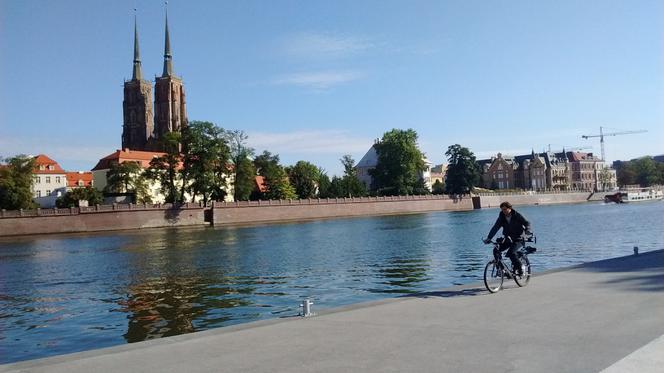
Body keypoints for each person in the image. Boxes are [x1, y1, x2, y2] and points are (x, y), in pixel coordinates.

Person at [483, 201, 532, 275]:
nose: (504, 211)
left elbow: (527, 223)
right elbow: (495, 227)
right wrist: (489, 238)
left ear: (510, 208)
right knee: (496, 250)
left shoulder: (517, 215)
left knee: (511, 253)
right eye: (502, 209)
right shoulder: (501, 217)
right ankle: (502, 270)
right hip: (508, 238)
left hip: (519, 238)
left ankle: (520, 268)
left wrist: (527, 230)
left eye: (505, 209)